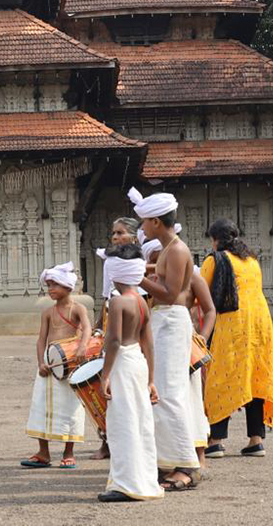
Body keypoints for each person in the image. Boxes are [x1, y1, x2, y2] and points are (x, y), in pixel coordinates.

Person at [133, 186, 201, 492]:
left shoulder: (176, 250)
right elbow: (162, 279)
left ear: (156, 222)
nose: (142, 228)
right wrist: (138, 268)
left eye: (145, 222)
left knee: (170, 393)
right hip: (164, 321)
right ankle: (168, 461)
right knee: (160, 390)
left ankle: (187, 465)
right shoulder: (169, 247)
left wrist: (138, 279)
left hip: (173, 320)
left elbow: (173, 294)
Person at [201, 218, 273, 461]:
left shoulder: (214, 260)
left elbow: (199, 291)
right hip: (260, 324)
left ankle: (216, 440)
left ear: (215, 240)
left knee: (221, 378)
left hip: (232, 324)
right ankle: (256, 440)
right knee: (255, 377)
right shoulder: (252, 260)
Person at [97, 246, 163, 503]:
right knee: (140, 421)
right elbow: (149, 344)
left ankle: (126, 484)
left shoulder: (118, 301)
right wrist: (151, 380)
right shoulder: (142, 303)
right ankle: (143, 480)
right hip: (138, 362)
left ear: (116, 273)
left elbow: (113, 341)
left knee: (122, 423)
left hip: (122, 363)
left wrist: (105, 375)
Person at [21, 262, 90, 469]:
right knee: (41, 406)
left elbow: (86, 329)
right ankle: (43, 452)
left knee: (70, 408)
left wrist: (82, 347)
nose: (50, 289)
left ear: (67, 286)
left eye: (54, 285)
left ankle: (69, 452)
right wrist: (41, 361)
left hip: (70, 365)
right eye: (48, 285)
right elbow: (41, 339)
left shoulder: (78, 308)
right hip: (49, 365)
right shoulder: (48, 313)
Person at [91, 216, 138, 460]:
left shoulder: (136, 263)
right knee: (106, 392)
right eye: (114, 233)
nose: (116, 238)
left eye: (121, 233)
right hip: (113, 318)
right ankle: (106, 441)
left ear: (134, 236)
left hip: (130, 336)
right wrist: (98, 327)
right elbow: (107, 298)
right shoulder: (111, 261)